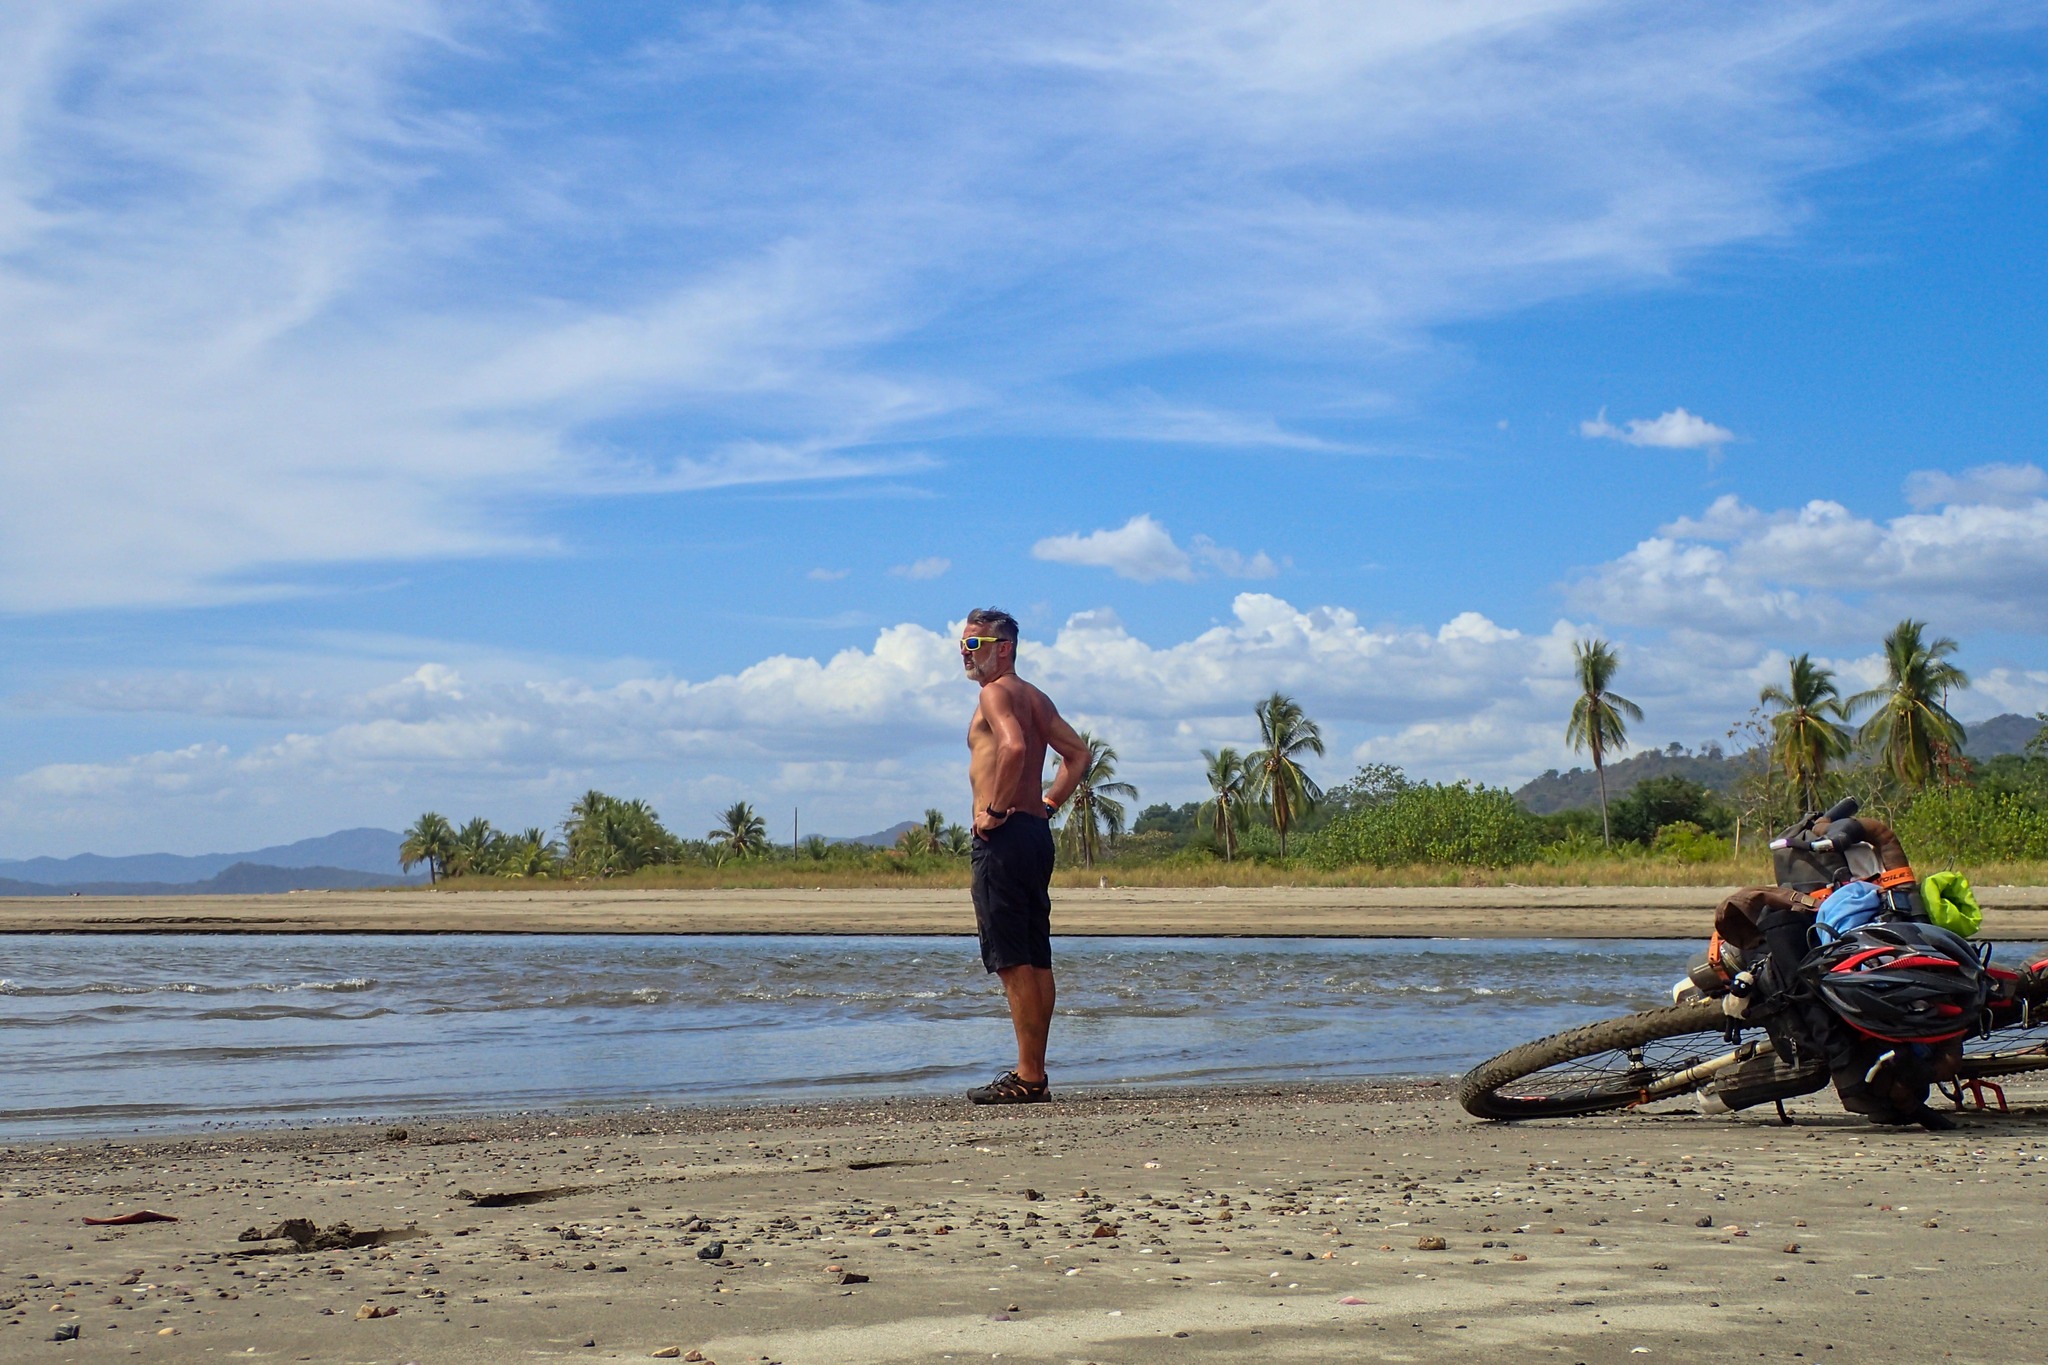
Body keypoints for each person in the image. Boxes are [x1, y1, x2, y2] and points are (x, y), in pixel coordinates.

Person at [959, 607, 1090, 1104]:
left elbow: (1013, 748)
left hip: (1007, 834)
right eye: (964, 643)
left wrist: (994, 810)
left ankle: (1029, 1077)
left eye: (975, 645)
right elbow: (1078, 754)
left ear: (1003, 648)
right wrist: (1049, 802)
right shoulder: (1036, 697)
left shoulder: (996, 694)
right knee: (1035, 958)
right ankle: (1033, 1071)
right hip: (1035, 833)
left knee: (1014, 960)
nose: (965, 653)